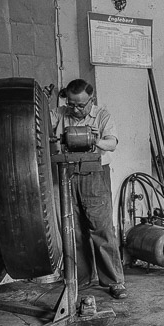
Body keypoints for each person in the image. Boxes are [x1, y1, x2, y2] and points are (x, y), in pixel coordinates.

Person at [51, 79, 127, 299]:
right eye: (71, 104)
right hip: (66, 173)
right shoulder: (60, 113)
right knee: (73, 229)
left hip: (95, 174)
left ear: (91, 100)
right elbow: (40, 124)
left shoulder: (102, 116)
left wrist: (95, 139)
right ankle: (80, 279)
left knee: (101, 228)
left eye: (81, 105)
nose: (75, 109)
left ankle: (114, 281)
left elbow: (112, 143)